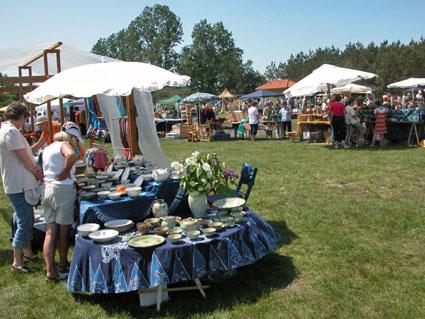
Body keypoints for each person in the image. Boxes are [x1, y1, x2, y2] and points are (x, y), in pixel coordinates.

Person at [0, 103, 43, 273]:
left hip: (15, 182)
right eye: (26, 118)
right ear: (22, 116)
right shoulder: (11, 131)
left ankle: (28, 253)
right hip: (19, 183)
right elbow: (24, 159)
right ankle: (17, 262)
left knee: (20, 217)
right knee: (26, 221)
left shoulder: (5, 129)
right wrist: (37, 172)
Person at [42, 125, 80, 281]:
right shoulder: (64, 145)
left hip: (47, 188)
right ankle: (63, 264)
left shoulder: (47, 149)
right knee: (63, 232)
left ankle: (50, 270)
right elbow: (71, 156)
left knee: (50, 232)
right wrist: (65, 172)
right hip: (62, 190)